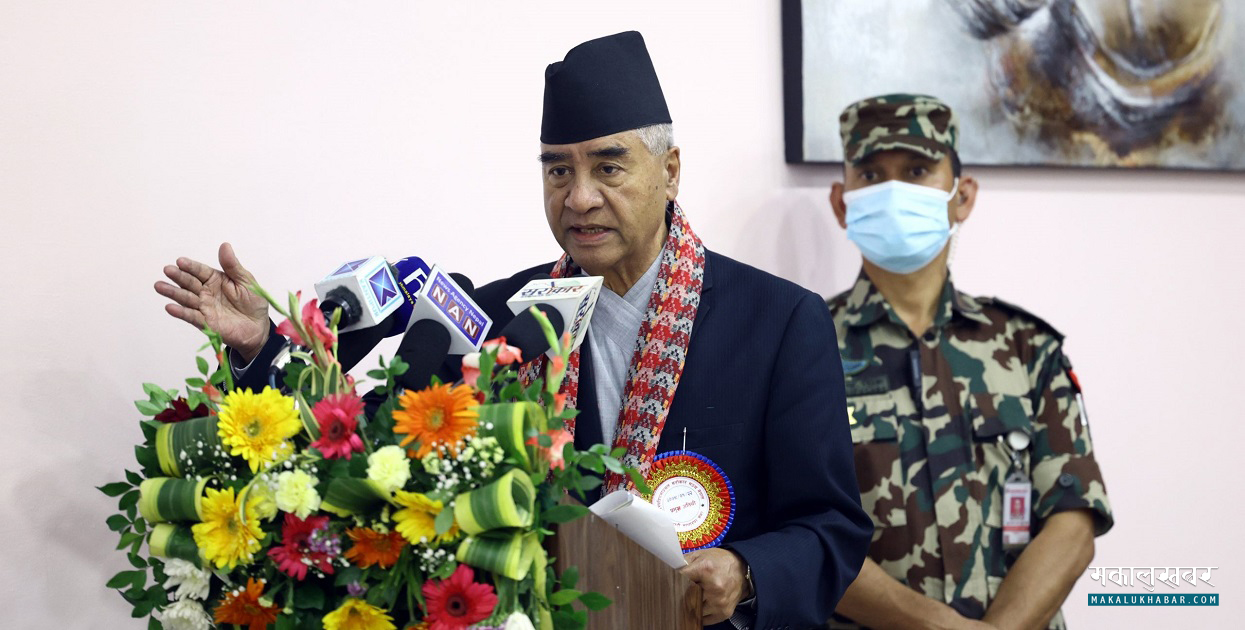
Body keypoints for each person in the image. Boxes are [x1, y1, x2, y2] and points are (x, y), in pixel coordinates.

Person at [155, 31, 872, 629]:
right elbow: (365, 452)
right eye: (557, 171)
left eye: (609, 167)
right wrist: (261, 346)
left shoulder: (777, 320)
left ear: (671, 170)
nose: (580, 197)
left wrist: (746, 573)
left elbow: (829, 527)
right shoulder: (495, 315)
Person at [823, 94, 1114, 630]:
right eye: (871, 174)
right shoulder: (804, 347)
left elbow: (1073, 520)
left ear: (963, 197)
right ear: (842, 203)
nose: (895, 192)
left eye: (917, 170)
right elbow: (804, 532)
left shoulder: (1027, 347)